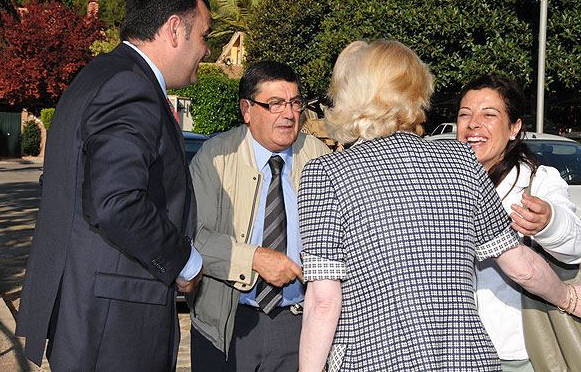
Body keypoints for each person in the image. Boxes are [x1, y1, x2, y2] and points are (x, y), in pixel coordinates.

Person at [297, 39, 581, 372]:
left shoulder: (326, 174)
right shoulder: (461, 161)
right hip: (467, 362)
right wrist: (567, 297)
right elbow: (521, 265)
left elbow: (323, 302)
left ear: (350, 93)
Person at [15, 0, 210, 371]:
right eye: (204, 36)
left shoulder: (99, 74)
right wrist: (185, 261)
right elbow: (114, 203)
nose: (207, 51)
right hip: (114, 324)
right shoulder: (130, 86)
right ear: (175, 29)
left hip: (89, 314)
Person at [186, 60, 329, 371]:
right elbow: (194, 238)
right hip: (227, 324)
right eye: (275, 104)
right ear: (247, 109)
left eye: (294, 103)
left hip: (299, 324)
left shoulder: (317, 156)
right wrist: (254, 259)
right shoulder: (215, 157)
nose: (289, 115)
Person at [456, 74, 581, 371]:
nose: (474, 124)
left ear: (514, 128)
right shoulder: (440, 182)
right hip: (454, 348)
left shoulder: (538, 180)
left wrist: (549, 222)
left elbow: (575, 245)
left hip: (515, 349)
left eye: (489, 115)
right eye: (465, 114)